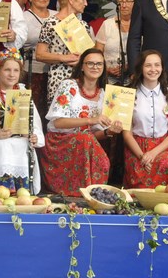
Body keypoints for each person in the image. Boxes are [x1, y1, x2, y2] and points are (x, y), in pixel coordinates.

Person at [42, 48, 122, 194]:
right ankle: (84, 193)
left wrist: (109, 131)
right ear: (82, 67)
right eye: (90, 63)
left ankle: (93, 194)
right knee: (85, 139)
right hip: (60, 141)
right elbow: (58, 123)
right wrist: (91, 120)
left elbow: (94, 135)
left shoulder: (103, 95)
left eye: (99, 64)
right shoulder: (69, 86)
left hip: (84, 143)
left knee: (90, 144)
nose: (95, 67)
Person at [0, 49, 45, 194]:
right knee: (3, 146)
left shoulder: (23, 93)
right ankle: (0, 189)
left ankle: (21, 190)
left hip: (20, 140)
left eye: (16, 70)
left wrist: (34, 136)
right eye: (7, 70)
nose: (12, 74)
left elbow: (34, 123)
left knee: (23, 145)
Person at [122, 50, 168, 188]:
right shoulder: (129, 94)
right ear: (141, 68)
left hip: (163, 147)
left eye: (157, 65)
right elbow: (127, 134)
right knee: (139, 170)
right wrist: (142, 156)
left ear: (162, 68)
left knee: (165, 162)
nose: (153, 69)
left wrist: (153, 153)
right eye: (148, 65)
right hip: (137, 147)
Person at [36, 0, 96, 104]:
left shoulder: (83, 25)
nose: (86, 3)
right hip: (59, 82)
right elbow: (39, 54)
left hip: (82, 80)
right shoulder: (50, 23)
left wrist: (82, 60)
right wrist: (63, 58)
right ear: (71, 0)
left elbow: (91, 55)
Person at [20, 0, 56, 122]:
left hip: (56, 71)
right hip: (32, 72)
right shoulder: (23, 18)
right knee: (34, 114)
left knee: (53, 113)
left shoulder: (57, 15)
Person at [95, 0, 139, 85]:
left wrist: (129, 67)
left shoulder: (141, 25)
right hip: (108, 80)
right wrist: (106, 69)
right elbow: (97, 52)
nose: (124, 5)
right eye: (120, 2)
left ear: (136, 2)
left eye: (128, 1)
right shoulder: (107, 24)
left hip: (134, 80)